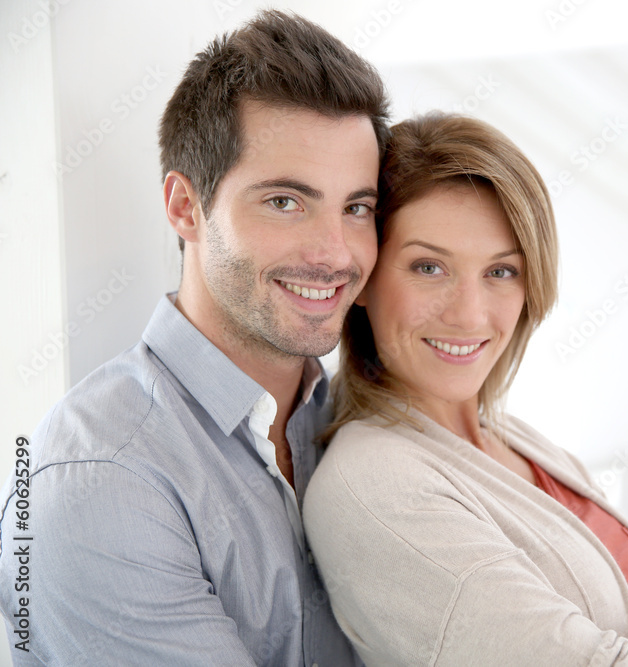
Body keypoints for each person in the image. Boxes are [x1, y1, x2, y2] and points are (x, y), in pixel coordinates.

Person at [0, 10, 388, 665]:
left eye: (356, 207)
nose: (335, 253)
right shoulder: (99, 481)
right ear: (185, 207)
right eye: (285, 201)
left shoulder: (354, 422)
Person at [302, 113, 628, 667]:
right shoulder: (375, 488)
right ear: (366, 277)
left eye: (501, 272)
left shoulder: (513, 439)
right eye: (428, 266)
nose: (470, 315)